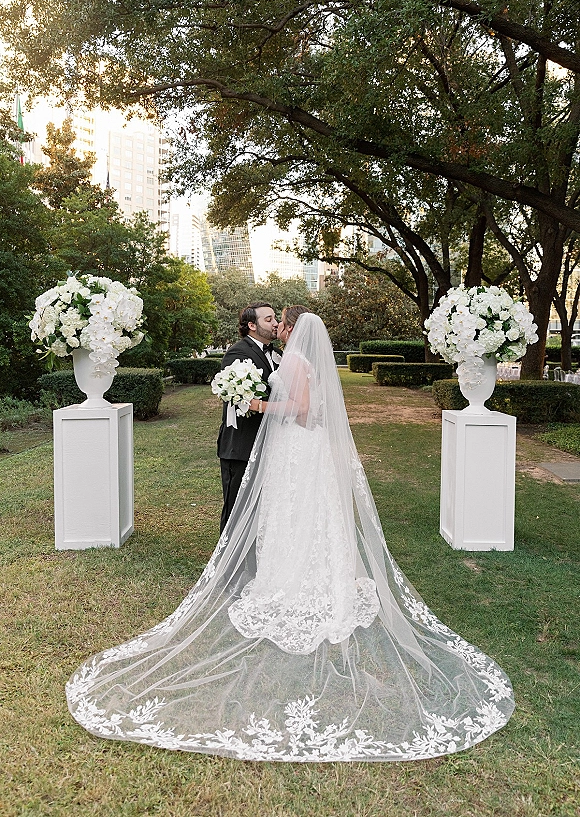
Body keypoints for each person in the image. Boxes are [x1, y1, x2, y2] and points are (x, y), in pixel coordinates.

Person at [66, 308, 515, 762]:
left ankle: (293, 579)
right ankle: (302, 572)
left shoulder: (295, 360)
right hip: (303, 449)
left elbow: (300, 411)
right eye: (273, 320)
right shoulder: (293, 358)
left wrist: (260, 404)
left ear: (294, 329)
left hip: (297, 448)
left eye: (281, 321)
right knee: (302, 514)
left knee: (295, 511)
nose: (277, 326)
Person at [217, 302, 280, 533]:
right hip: (242, 443)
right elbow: (236, 397)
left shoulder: (277, 353)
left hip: (271, 441)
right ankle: (227, 562)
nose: (276, 323)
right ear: (252, 325)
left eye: (275, 318)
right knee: (237, 505)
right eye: (269, 319)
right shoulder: (238, 352)